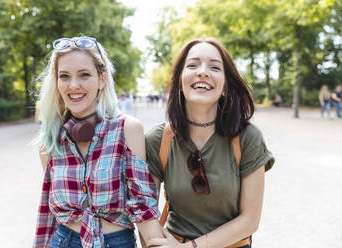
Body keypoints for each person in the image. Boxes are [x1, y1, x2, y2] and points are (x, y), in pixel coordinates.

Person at [33, 36, 163, 248]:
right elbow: (50, 214)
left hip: (116, 242)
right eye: (64, 76)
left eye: (84, 75)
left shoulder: (127, 129)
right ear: (56, 82)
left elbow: (142, 207)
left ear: (102, 79)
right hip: (63, 240)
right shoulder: (49, 141)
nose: (73, 85)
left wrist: (157, 244)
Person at [145, 37, 275, 248]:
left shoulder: (248, 138)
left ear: (225, 86)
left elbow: (250, 220)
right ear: (179, 81)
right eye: (193, 65)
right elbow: (145, 210)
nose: (202, 72)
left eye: (214, 67)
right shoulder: (158, 140)